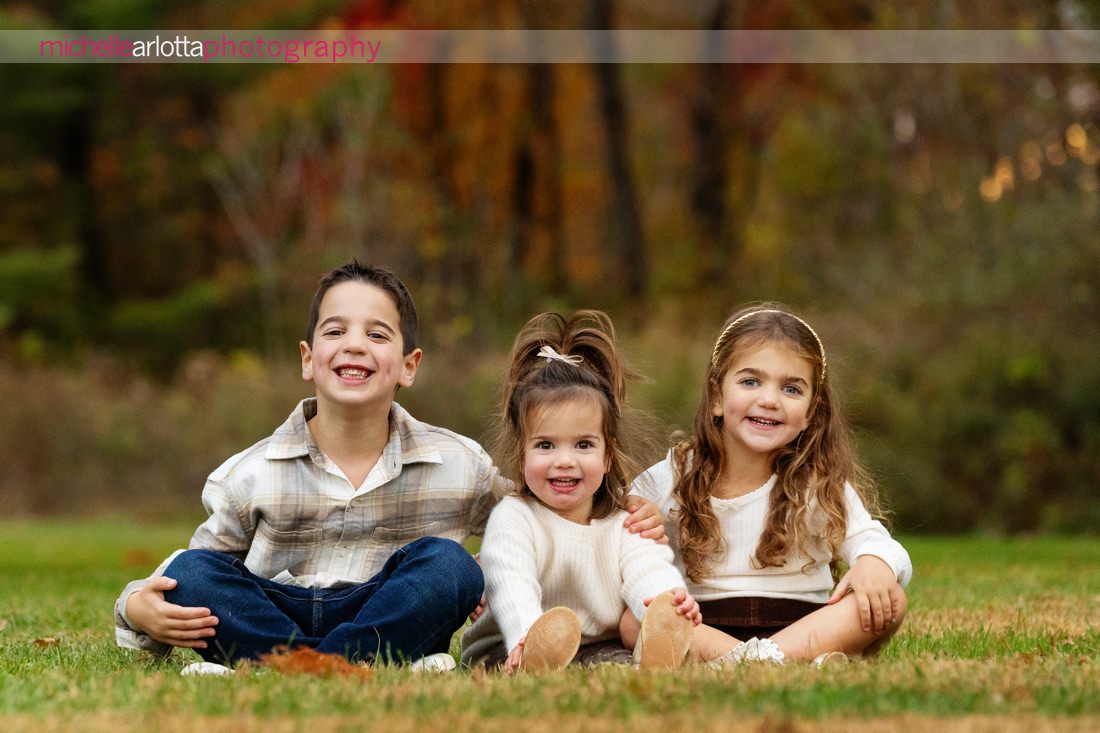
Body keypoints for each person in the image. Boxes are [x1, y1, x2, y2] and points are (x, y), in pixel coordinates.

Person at [113, 261, 665, 668]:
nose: (354, 346)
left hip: (387, 610)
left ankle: (292, 669)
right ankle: (326, 667)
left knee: (450, 568)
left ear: (408, 365)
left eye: (377, 334)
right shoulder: (249, 473)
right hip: (274, 611)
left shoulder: (458, 463)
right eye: (335, 331)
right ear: (308, 359)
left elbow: (543, 507)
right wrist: (137, 608)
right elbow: (194, 570)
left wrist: (625, 510)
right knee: (190, 573)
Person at [626, 304, 911, 665]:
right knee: (634, 618)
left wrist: (874, 563)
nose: (769, 400)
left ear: (810, 412)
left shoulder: (818, 482)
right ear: (716, 396)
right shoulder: (678, 472)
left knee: (891, 601)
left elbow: (873, 540)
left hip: (803, 625)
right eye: (750, 381)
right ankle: (755, 662)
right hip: (702, 623)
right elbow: (616, 520)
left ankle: (761, 660)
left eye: (791, 389)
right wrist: (640, 519)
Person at [461, 311, 700, 672]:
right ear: (521, 456)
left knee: (615, 667)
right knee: (512, 664)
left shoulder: (624, 521)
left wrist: (666, 600)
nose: (565, 461)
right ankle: (536, 659)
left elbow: (646, 568)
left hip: (596, 644)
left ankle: (658, 653)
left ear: (608, 457)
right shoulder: (514, 519)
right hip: (508, 645)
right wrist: (526, 636)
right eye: (545, 446)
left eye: (584, 445)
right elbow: (513, 585)